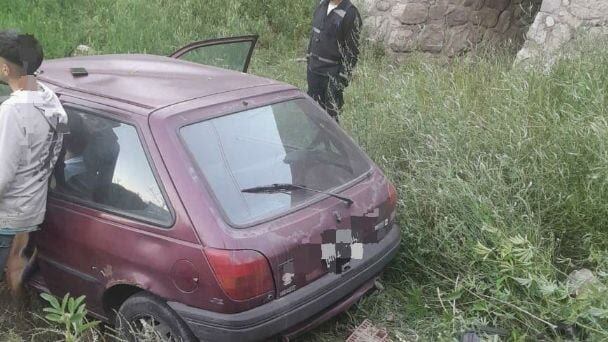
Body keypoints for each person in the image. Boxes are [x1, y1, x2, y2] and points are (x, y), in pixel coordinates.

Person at [0, 31, 68, 287]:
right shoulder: (51, 99)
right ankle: (19, 314)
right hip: (33, 210)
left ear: (5, 68)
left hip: (7, 215)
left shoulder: (12, 110)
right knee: (15, 272)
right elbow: (58, 144)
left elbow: (2, 176)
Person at [307, 0, 362, 123]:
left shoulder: (350, 12)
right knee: (313, 113)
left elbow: (352, 53)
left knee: (330, 120)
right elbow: (314, 35)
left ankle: (331, 142)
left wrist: (340, 81)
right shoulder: (321, 5)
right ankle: (315, 141)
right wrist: (308, 61)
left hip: (332, 77)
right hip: (313, 72)